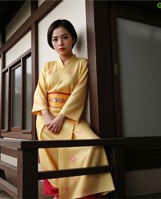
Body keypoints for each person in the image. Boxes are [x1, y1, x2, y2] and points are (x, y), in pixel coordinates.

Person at [32, 19, 115, 199]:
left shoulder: (82, 64)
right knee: (49, 142)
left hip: (70, 117)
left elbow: (79, 92)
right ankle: (58, 192)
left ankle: (81, 195)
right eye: (55, 39)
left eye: (64, 37)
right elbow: (39, 93)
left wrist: (61, 117)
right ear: (51, 42)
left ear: (73, 39)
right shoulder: (48, 67)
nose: (60, 43)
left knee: (93, 145)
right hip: (47, 119)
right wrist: (46, 116)